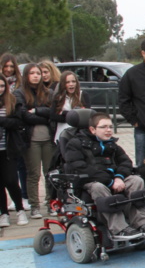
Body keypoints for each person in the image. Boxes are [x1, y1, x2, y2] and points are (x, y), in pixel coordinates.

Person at [63, 113, 145, 240]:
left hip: (114, 179)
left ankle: (142, 223)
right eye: (104, 127)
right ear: (92, 129)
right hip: (89, 181)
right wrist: (110, 182)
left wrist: (119, 177)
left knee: (136, 180)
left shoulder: (112, 145)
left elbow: (126, 162)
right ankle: (119, 228)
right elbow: (80, 168)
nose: (109, 130)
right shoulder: (75, 144)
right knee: (98, 187)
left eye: (110, 126)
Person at [14, 63, 55, 218]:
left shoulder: (49, 92)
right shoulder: (19, 93)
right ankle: (34, 206)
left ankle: (51, 203)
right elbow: (24, 116)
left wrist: (38, 110)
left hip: (48, 138)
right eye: (32, 73)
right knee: (33, 174)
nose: (36, 75)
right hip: (31, 139)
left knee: (50, 173)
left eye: (38, 73)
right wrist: (43, 116)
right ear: (26, 75)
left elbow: (53, 113)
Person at [0, 76, 27, 227]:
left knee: (11, 180)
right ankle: (3, 213)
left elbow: (18, 122)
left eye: (2, 86)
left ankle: (20, 209)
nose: (0, 89)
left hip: (8, 148)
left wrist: (2, 121)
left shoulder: (12, 101)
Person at [50, 71, 90, 143]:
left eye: (73, 81)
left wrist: (64, 113)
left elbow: (87, 116)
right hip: (62, 134)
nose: (71, 84)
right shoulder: (58, 97)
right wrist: (74, 115)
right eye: (67, 82)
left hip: (79, 135)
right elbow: (53, 116)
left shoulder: (83, 95)